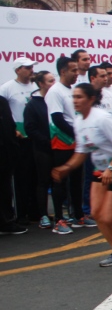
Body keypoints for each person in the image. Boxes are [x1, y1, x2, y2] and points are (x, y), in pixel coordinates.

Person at [50, 83, 112, 266]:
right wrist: (65, 167)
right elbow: (81, 152)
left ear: (91, 99)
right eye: (73, 97)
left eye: (79, 97)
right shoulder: (80, 121)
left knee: (109, 218)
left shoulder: (102, 119)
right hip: (100, 170)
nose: (75, 101)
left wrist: (111, 168)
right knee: (97, 214)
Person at [47, 57, 87, 234]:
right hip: (61, 142)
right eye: (73, 71)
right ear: (63, 71)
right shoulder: (55, 91)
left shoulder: (72, 90)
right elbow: (57, 119)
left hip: (75, 143)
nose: (77, 74)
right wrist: (76, 133)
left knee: (77, 181)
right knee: (60, 182)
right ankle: (59, 220)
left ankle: (78, 215)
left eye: (78, 71)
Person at [0, 57, 38, 227]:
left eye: (32, 67)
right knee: (20, 178)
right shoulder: (7, 88)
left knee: (35, 176)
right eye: (27, 67)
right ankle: (20, 213)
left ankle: (34, 212)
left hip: (34, 136)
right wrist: (11, 130)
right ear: (17, 70)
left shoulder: (36, 87)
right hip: (17, 138)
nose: (31, 70)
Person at [24, 71, 54, 227]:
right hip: (42, 149)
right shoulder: (33, 104)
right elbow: (30, 128)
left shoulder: (55, 100)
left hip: (58, 147)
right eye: (50, 81)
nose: (53, 83)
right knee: (43, 181)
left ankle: (60, 215)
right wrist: (45, 141)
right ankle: (43, 215)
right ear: (41, 84)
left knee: (58, 181)